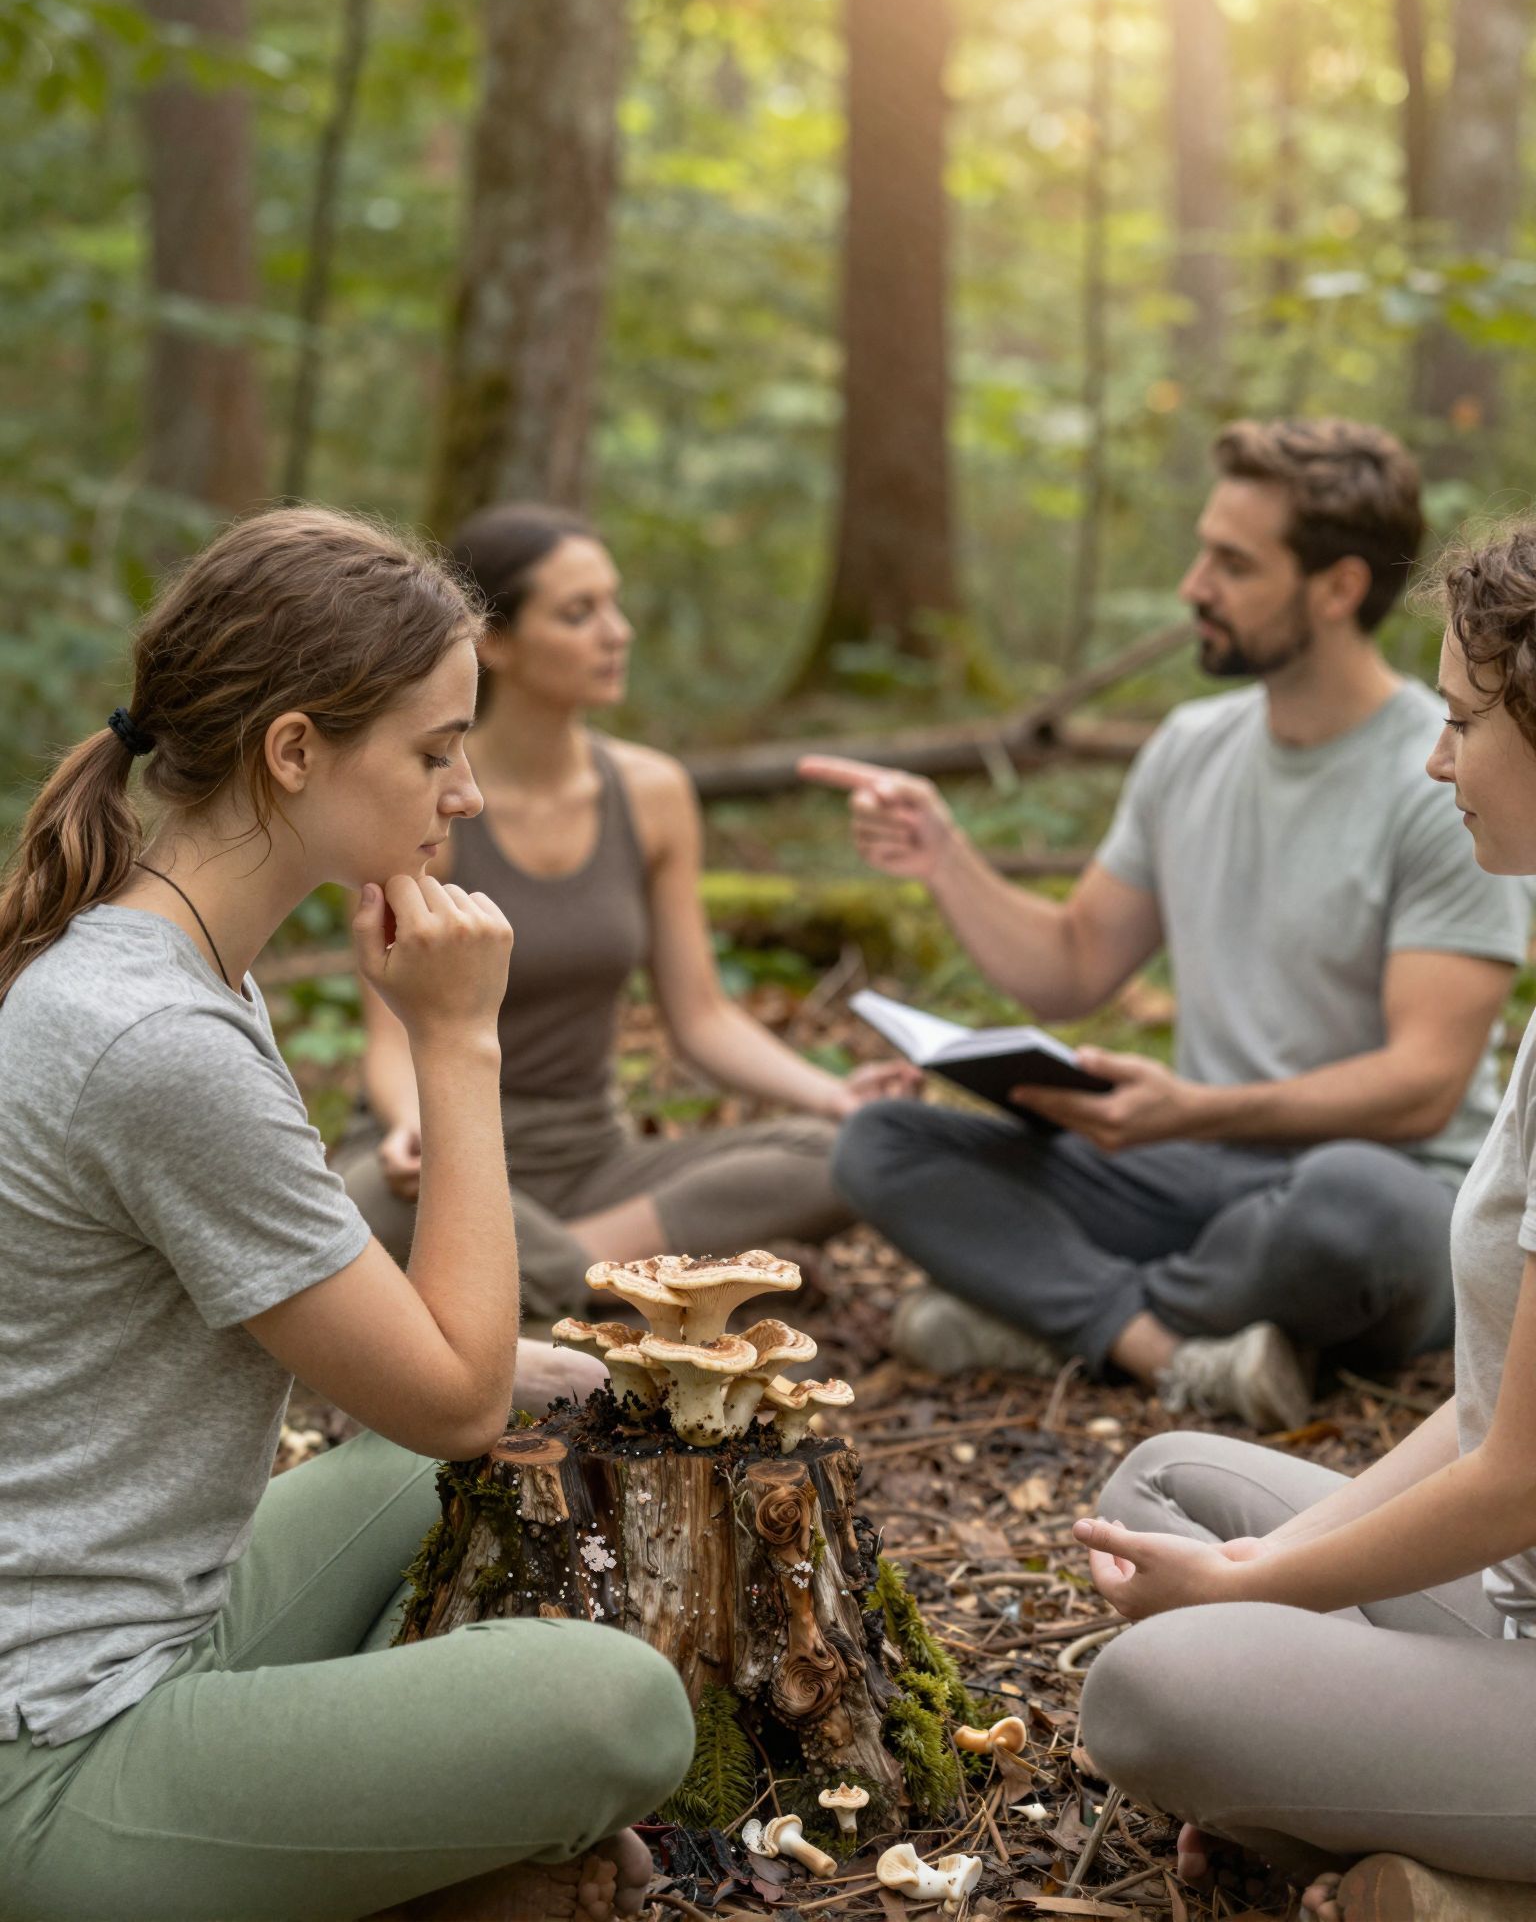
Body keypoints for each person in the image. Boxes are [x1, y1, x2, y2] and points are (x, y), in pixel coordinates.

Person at [0, 508, 693, 1922]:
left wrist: (520, 1373)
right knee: (620, 1708)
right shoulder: (156, 1041)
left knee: (447, 1465)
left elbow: (423, 1380)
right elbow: (453, 1398)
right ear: (295, 749)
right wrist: (458, 1041)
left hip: (162, 1618)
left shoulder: (174, 965)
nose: (467, 792)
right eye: (436, 752)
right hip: (52, 1744)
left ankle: (347, 1856)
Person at [806, 420, 1529, 1429]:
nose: (1195, 585)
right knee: (881, 1142)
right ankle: (1166, 1347)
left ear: (1337, 588)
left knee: (1348, 1210)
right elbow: (1071, 965)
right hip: (1194, 1175)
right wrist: (943, 855)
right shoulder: (1190, 748)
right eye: (1203, 554)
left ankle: (1052, 1310)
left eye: (1233, 563)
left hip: (1377, 1186)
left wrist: (1195, 1109)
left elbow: (1422, 1086)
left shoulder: (1450, 773)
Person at [1070, 517, 1536, 1922]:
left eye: (1463, 723)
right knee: (1164, 1490)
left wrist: (1247, 1604)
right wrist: (1259, 1569)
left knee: (1155, 1686)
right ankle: (1406, 1833)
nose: (1436, 761)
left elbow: (1517, 1482)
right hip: (1508, 1600)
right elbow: (1491, 1412)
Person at [335, 504, 918, 1318]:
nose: (618, 633)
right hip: (440, 1151)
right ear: (493, 641)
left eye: (614, 604)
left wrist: (833, 1097)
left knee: (846, 1152)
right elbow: (389, 1034)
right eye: (579, 613)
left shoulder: (653, 794)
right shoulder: (433, 799)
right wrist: (411, 1126)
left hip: (592, 1165)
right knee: (368, 1200)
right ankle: (609, 1283)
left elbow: (703, 1016)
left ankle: (545, 1275)